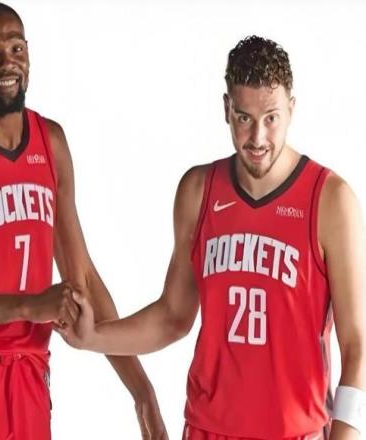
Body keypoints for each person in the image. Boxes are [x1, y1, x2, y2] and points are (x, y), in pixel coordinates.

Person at [61, 36, 366, 439]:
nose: (257, 138)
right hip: (207, 429)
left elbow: (356, 346)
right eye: (244, 118)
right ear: (226, 109)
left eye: (271, 118)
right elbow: (173, 316)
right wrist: (93, 337)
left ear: (292, 109)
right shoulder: (198, 190)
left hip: (295, 431)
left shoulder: (329, 200)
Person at [0, 3, 167, 439]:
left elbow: (82, 278)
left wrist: (142, 391)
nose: (8, 63)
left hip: (30, 382)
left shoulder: (51, 142)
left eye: (16, 49)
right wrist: (27, 305)